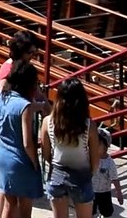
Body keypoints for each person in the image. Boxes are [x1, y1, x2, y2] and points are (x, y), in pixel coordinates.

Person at [0, 61, 44, 218]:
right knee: (25, 208)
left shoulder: (0, 97)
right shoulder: (25, 106)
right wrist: (35, 162)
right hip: (21, 160)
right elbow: (26, 142)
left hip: (3, 155)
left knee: (9, 203)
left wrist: (1, 138)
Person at [41, 79, 99, 218]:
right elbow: (95, 160)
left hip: (57, 175)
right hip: (82, 176)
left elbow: (46, 154)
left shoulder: (47, 122)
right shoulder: (89, 126)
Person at [91, 128, 123, 218]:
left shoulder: (109, 163)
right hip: (90, 191)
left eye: (97, 143)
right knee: (90, 211)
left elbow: (115, 178)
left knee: (107, 211)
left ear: (106, 146)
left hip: (104, 192)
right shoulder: (89, 158)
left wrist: (119, 192)